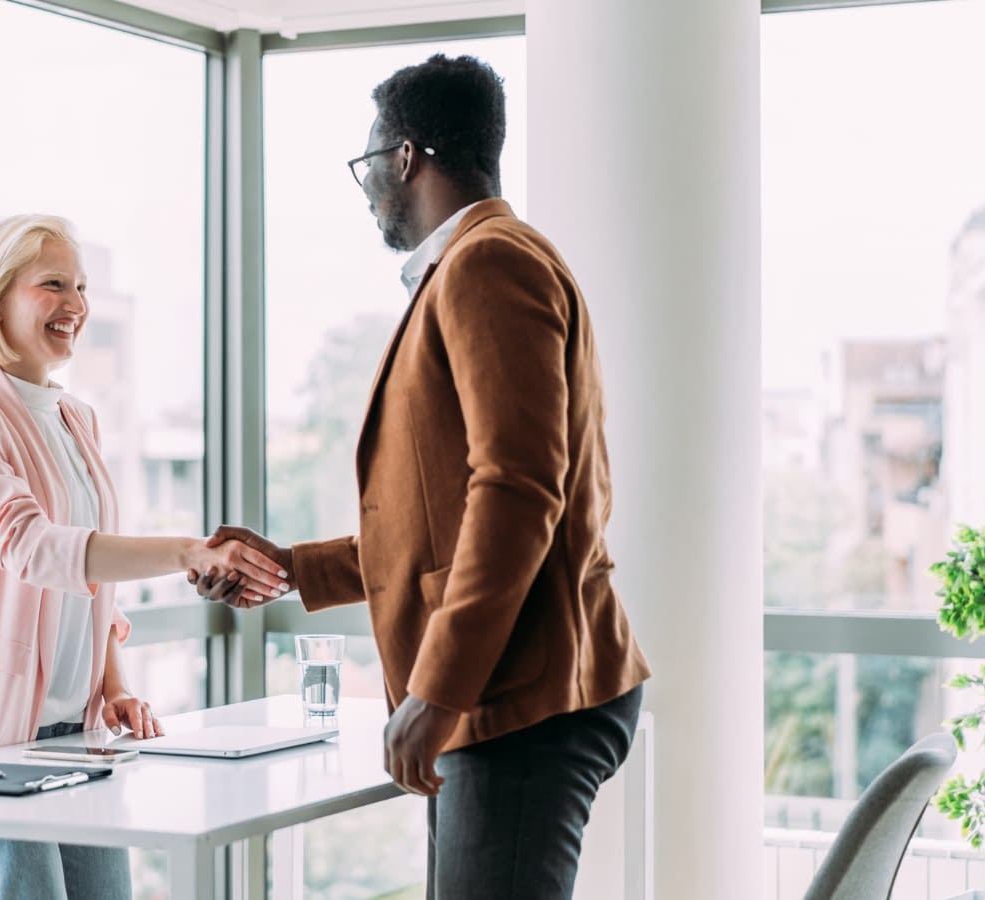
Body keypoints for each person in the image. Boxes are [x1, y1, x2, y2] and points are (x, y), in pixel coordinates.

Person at [194, 55, 651, 900]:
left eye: (370, 163)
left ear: (407, 156)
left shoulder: (488, 264)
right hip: (511, 693)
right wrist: (294, 567)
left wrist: (439, 690)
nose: (368, 187)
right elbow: (441, 520)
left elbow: (516, 490)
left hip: (516, 698)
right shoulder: (483, 263)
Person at [0, 213, 289, 900]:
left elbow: (86, 584)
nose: (76, 305)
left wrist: (115, 683)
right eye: (53, 284)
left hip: (74, 740)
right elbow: (35, 550)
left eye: (81, 287)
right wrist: (185, 552)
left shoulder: (75, 418)